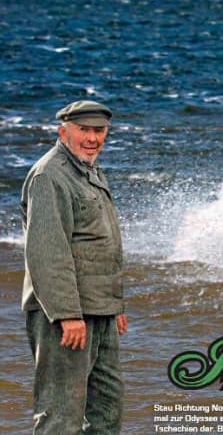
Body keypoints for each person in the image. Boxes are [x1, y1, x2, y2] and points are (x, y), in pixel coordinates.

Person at [21, 100, 127, 434]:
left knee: (107, 408)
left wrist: (114, 305)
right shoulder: (49, 176)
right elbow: (48, 253)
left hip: (99, 309)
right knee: (60, 416)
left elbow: (99, 243)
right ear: (63, 131)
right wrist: (68, 315)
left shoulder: (89, 169)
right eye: (84, 130)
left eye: (100, 130)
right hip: (65, 315)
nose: (93, 138)